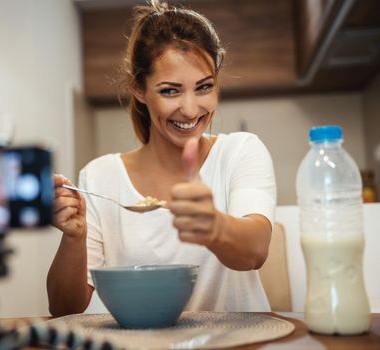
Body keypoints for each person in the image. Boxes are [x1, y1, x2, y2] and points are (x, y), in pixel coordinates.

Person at [47, 0, 276, 316]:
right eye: (170, 91)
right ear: (139, 89)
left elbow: (255, 251)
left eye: (204, 87)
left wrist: (212, 226)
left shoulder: (240, 152)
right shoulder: (99, 177)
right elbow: (65, 310)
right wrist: (74, 238)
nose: (191, 109)